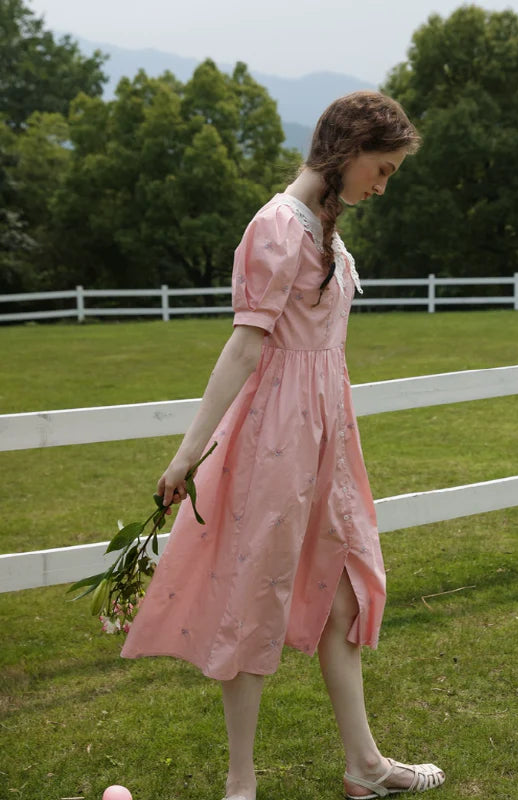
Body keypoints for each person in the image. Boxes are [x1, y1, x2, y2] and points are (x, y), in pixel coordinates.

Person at [120, 90, 445, 798]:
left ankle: (364, 765)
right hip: (278, 440)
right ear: (347, 150)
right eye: (382, 168)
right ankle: (242, 785)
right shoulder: (277, 227)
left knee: (345, 597)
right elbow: (244, 347)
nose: (383, 185)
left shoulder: (322, 226)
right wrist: (187, 454)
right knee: (255, 598)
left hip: (328, 435)